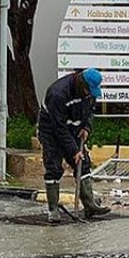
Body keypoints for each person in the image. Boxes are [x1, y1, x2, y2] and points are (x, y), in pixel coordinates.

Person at [38, 68, 110, 222]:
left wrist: (86, 127)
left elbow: (90, 111)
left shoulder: (89, 93)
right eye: (87, 90)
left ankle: (89, 205)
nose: (89, 94)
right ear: (80, 83)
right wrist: (74, 150)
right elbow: (59, 128)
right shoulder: (57, 94)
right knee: (54, 167)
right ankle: (53, 210)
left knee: (83, 164)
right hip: (52, 130)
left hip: (75, 128)